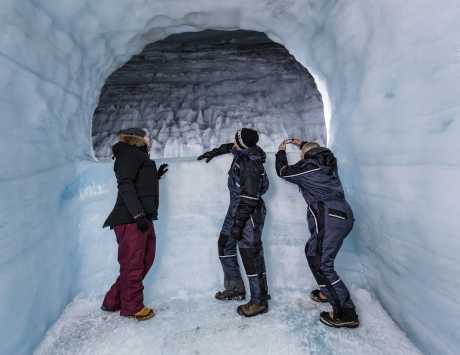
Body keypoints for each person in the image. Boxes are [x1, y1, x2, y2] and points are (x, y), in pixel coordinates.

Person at [275, 138, 359, 328]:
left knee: (321, 263)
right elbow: (314, 150)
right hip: (342, 215)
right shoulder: (329, 162)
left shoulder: (308, 167)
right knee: (314, 254)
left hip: (329, 217)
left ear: (306, 155)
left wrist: (281, 152)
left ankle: (346, 313)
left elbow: (283, 172)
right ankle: (328, 291)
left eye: (303, 154)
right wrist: (303, 143)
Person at [197, 128, 270, 317]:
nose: (233, 142)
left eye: (236, 140)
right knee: (225, 244)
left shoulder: (249, 165)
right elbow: (232, 147)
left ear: (242, 144)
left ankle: (259, 301)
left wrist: (238, 224)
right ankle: (235, 288)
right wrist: (216, 151)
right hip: (237, 208)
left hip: (248, 213)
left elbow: (250, 199)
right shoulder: (244, 151)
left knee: (250, 255)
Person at [101, 128, 168, 321]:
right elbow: (126, 185)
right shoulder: (128, 155)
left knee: (145, 258)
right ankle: (132, 307)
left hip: (140, 217)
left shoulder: (135, 155)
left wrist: (155, 176)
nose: (149, 138)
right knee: (133, 264)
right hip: (131, 219)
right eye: (146, 136)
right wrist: (138, 215)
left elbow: (138, 182)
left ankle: (113, 300)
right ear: (136, 139)